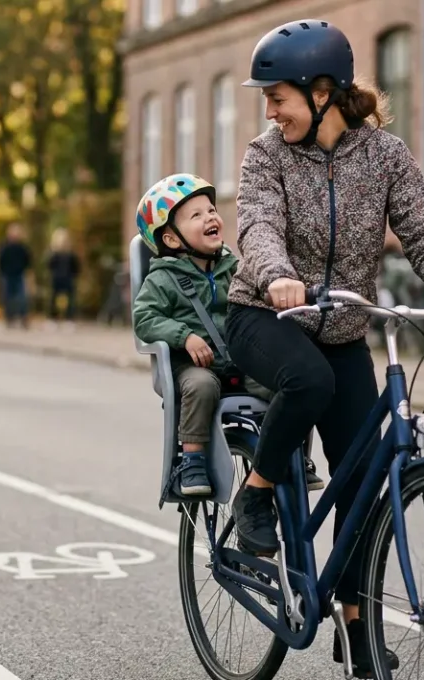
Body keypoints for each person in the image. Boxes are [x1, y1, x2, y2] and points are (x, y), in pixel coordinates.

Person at [226, 20, 424, 677]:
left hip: (345, 327)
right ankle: (257, 491)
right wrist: (277, 275)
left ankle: (354, 625)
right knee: (310, 382)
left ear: (322, 93)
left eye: (278, 98)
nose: (270, 111)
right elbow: (257, 225)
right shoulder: (266, 156)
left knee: (363, 477)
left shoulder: (385, 156)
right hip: (265, 315)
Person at [133, 173, 324, 497]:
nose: (210, 217)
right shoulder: (163, 279)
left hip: (238, 359)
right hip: (192, 365)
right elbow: (145, 318)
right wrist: (184, 336)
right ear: (172, 239)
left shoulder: (232, 267)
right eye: (196, 215)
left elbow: (258, 295)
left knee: (290, 382)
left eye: (211, 210)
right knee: (202, 386)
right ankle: (192, 461)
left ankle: (293, 454)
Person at [0, 224, 32, 329]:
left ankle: (23, 318)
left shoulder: (23, 248)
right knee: (8, 298)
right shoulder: (5, 248)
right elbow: (0, 262)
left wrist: (28, 275)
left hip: (19, 275)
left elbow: (28, 262)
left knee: (22, 298)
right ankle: (9, 318)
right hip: (8, 276)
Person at [46, 229, 80, 328]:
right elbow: (49, 266)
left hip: (68, 279)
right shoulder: (53, 255)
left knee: (70, 300)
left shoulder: (71, 255)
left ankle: (69, 319)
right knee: (53, 299)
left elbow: (76, 268)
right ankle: (52, 319)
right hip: (56, 279)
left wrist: (73, 276)